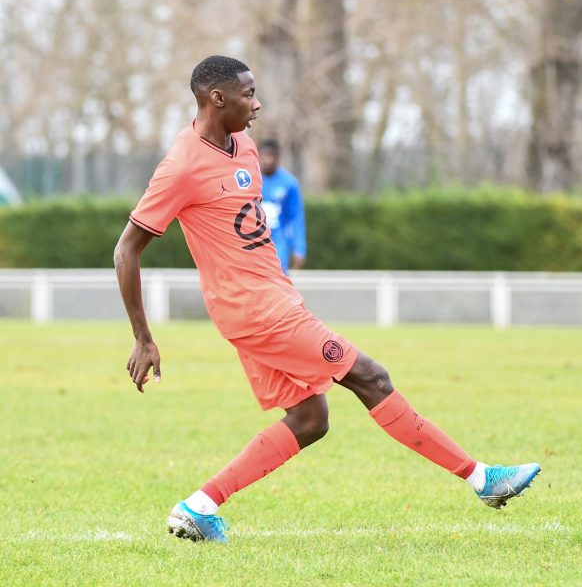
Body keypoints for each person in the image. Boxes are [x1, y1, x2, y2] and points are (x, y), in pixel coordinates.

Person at [114, 55, 540, 543]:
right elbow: (126, 249)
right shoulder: (181, 165)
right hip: (255, 312)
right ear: (217, 98)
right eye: (248, 95)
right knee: (371, 376)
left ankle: (199, 505)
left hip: (273, 302)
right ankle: (482, 479)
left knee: (310, 419)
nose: (257, 104)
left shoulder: (245, 147)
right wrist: (143, 337)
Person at [259, 140, 307, 272]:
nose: (269, 160)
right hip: (253, 239)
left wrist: (299, 248)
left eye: (272, 156)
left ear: (278, 157)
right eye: (265, 155)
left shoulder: (289, 183)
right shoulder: (249, 178)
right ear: (259, 155)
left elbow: (296, 216)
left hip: (278, 241)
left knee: (277, 279)